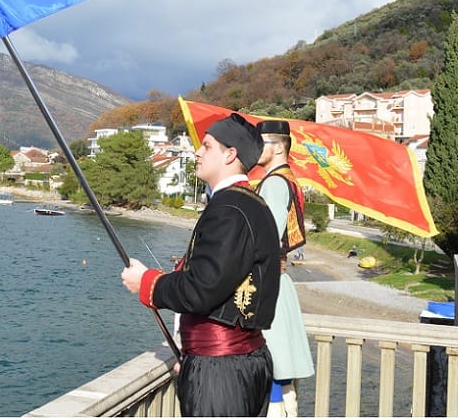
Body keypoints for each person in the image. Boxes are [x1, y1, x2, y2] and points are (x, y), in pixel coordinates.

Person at [121, 113, 281, 417]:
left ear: (230, 154)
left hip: (223, 371)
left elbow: (202, 288)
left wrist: (147, 282)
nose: (197, 152)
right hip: (235, 362)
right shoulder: (251, 204)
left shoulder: (230, 209)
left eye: (206, 146)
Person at [255, 119, 315, 417]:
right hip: (281, 280)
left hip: (269, 285)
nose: (255, 146)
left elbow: (266, 237)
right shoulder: (290, 179)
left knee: (271, 363)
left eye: (261, 141)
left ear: (279, 147)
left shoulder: (275, 183)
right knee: (280, 371)